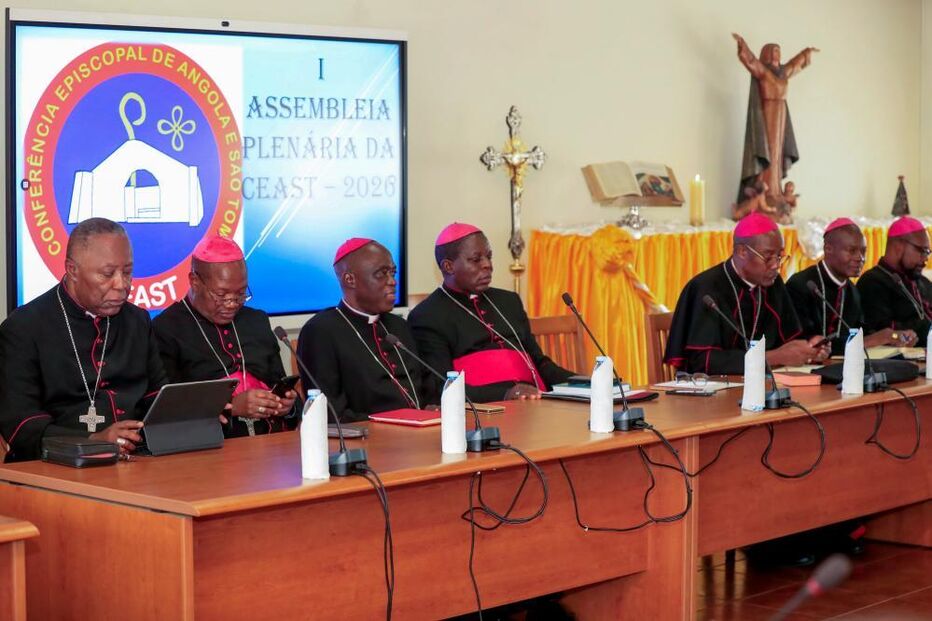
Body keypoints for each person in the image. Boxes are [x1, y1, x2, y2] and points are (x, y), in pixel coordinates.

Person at [0, 218, 166, 461]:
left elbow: (157, 396)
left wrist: (189, 415)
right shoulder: (23, 328)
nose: (122, 285)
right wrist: (93, 442)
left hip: (138, 461)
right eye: (107, 274)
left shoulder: (138, 321)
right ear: (72, 270)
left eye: (127, 272)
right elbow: (21, 426)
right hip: (57, 468)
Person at [408, 222, 574, 402]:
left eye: (489, 256)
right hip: (483, 412)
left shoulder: (509, 301)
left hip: (535, 402)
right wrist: (506, 394)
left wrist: (584, 383)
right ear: (448, 267)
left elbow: (540, 363)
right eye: (476, 259)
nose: (488, 265)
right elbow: (440, 386)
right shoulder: (427, 316)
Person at [153, 236, 297, 438]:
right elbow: (165, 407)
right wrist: (230, 407)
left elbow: (279, 383)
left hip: (273, 441)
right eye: (221, 294)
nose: (232, 303)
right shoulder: (167, 328)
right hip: (211, 449)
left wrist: (286, 405)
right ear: (194, 281)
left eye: (240, 294)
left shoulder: (256, 320)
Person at [664, 212, 829, 374]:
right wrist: (773, 357)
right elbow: (700, 361)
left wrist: (809, 349)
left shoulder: (773, 283)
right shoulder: (706, 289)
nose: (775, 265)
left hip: (766, 388)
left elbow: (788, 342)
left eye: (779, 256)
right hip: (715, 394)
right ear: (742, 252)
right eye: (768, 257)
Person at [296, 238, 432, 422]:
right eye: (381, 274)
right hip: (367, 441)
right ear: (350, 279)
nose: (392, 281)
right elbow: (330, 414)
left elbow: (424, 388)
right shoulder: (320, 332)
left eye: (393, 273)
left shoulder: (398, 326)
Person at [787, 218, 915, 355]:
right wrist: (869, 341)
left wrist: (894, 337)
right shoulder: (801, 285)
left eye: (863, 251)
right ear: (828, 249)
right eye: (852, 251)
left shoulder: (852, 292)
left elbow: (861, 332)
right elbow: (801, 343)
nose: (860, 258)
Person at [732, 33, 818, 217]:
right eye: (773, 52)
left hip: (781, 117)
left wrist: (806, 53)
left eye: (778, 52)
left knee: (778, 155)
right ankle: (767, 191)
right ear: (767, 55)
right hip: (767, 117)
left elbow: (796, 65)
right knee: (768, 153)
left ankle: (776, 191)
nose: (776, 55)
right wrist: (743, 47)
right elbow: (752, 62)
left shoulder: (782, 73)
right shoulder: (764, 72)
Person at [857, 216, 932, 345]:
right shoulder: (871, 283)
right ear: (898, 246)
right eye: (922, 251)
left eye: (928, 252)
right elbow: (883, 333)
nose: (925, 259)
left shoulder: (923, 282)